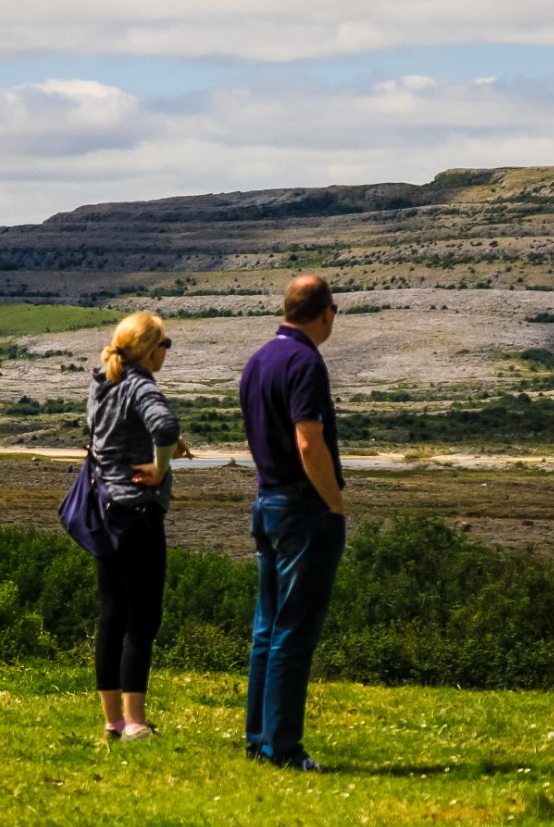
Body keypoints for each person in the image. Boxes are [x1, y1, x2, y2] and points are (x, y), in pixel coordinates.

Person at [239, 274, 345, 772]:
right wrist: (333, 502)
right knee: (294, 631)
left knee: (267, 626)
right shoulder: (306, 362)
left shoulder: (258, 360)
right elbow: (309, 441)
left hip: (265, 499)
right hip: (302, 507)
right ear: (324, 312)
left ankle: (258, 737)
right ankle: (283, 746)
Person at [86, 311, 190, 743]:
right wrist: (160, 467)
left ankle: (112, 721)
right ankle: (135, 721)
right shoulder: (141, 384)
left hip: (104, 508)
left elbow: (108, 436)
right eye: (165, 344)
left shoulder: (101, 382)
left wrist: (151, 450)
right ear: (149, 350)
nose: (167, 352)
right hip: (138, 514)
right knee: (142, 619)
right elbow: (165, 425)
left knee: (111, 614)